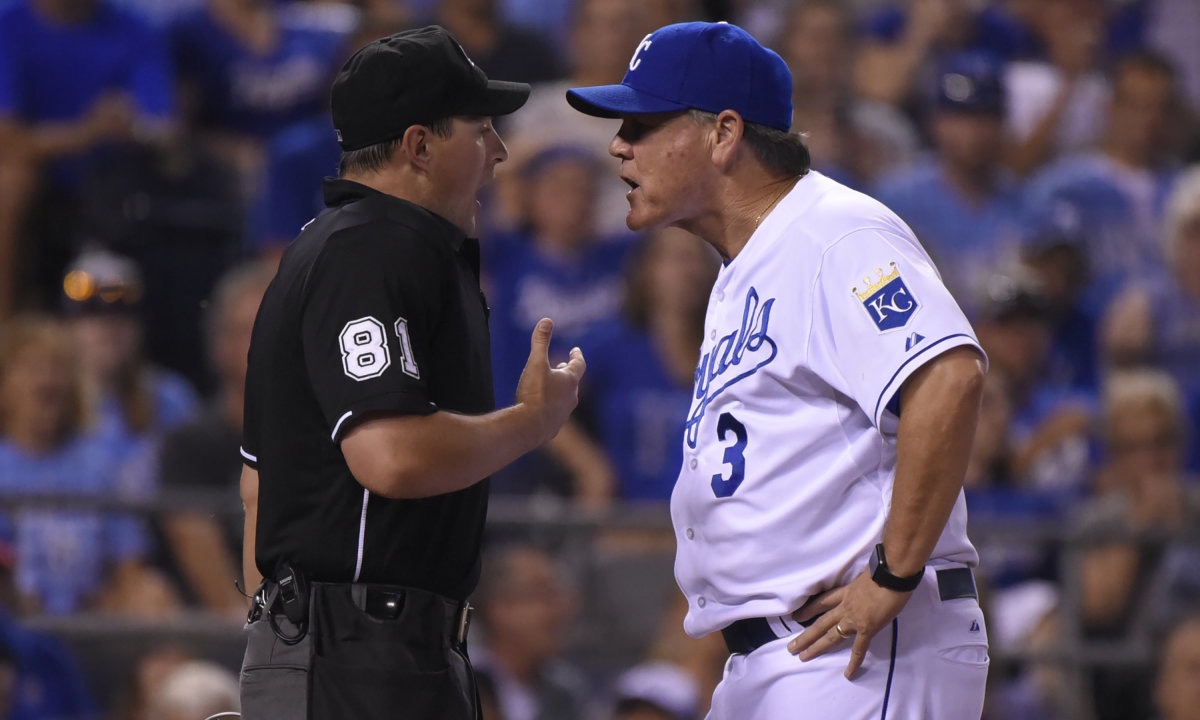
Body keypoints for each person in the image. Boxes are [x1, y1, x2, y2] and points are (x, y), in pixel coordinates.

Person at [566, 21, 989, 718]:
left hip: (860, 651)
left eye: (641, 125)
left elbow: (949, 378)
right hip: (782, 657)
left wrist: (892, 574)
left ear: (724, 134)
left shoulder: (834, 233)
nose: (618, 144)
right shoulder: (747, 265)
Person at [238, 25, 586, 720]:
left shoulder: (358, 248)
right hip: (360, 655)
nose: (501, 151)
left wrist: (275, 651)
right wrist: (531, 423)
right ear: (419, 147)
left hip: (371, 649)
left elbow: (258, 487)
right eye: (481, 130)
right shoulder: (370, 250)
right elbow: (390, 456)